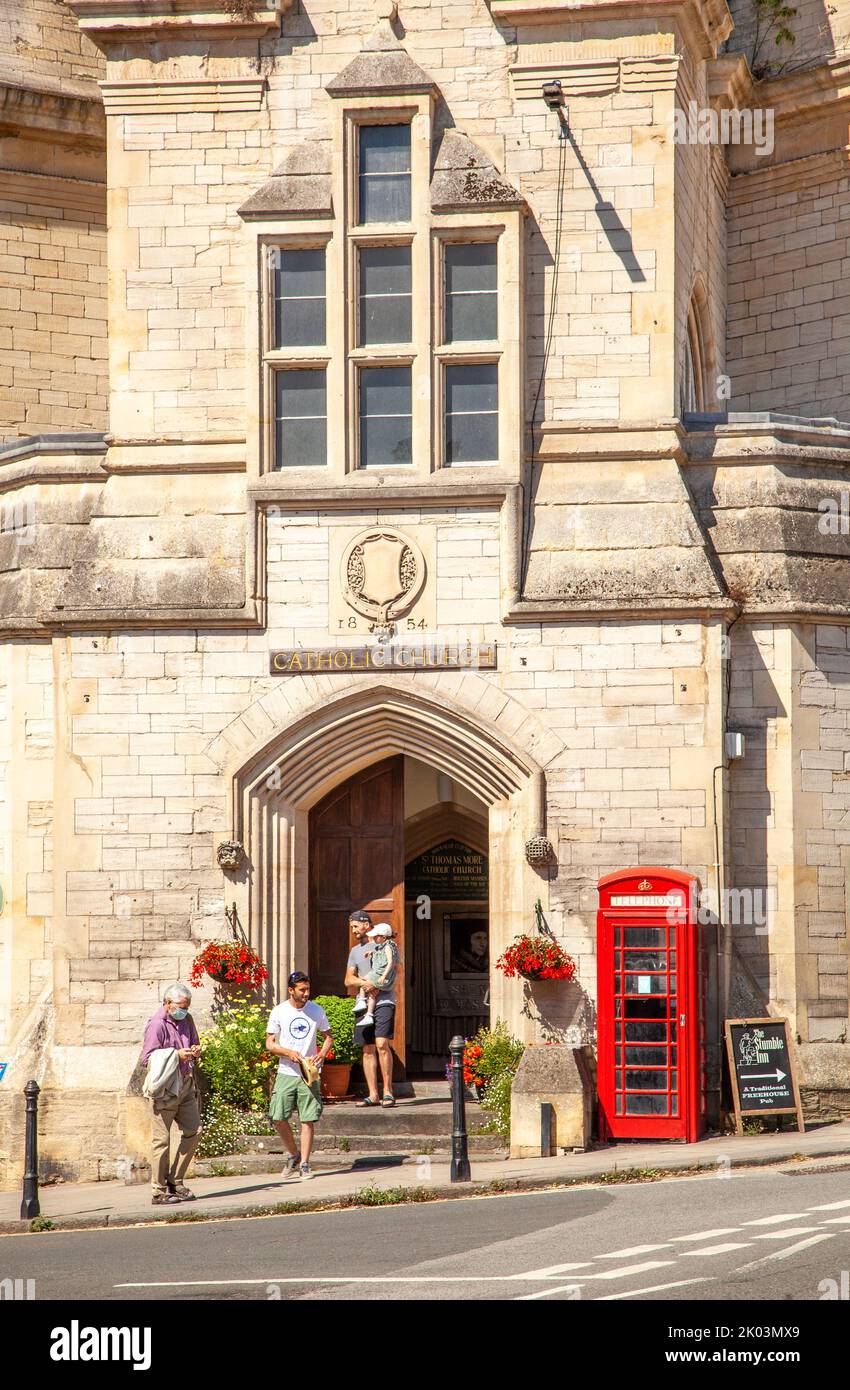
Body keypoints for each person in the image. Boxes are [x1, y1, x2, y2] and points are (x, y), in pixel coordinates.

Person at [266, 971, 333, 1180]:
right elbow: (270, 1043)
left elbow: (328, 1037)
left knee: (307, 1118)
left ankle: (304, 1163)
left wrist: (321, 1054)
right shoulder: (279, 1011)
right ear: (291, 990)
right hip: (286, 1071)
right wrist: (288, 1052)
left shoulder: (316, 1010)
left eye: (308, 989)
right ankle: (293, 1154)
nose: (306, 994)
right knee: (278, 1116)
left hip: (308, 1073)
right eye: (302, 990)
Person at [140, 983, 202, 1205]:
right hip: (166, 1088)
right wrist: (176, 1055)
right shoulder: (156, 1025)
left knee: (194, 1131)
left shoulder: (187, 1019)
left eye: (187, 1006)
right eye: (180, 1007)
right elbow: (146, 1059)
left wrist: (195, 1050)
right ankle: (158, 1191)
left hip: (185, 1084)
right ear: (167, 1004)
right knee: (162, 1140)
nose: (183, 1011)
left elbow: (195, 1042)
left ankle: (175, 1180)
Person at [345, 910, 399, 1108]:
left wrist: (377, 985)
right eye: (352, 927)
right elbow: (348, 979)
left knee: (382, 1044)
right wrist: (365, 984)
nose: (353, 930)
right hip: (363, 1002)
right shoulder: (354, 951)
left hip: (384, 1000)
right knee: (367, 1049)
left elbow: (393, 970)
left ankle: (388, 1092)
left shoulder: (383, 943)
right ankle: (373, 1094)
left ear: (366, 924)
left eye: (355, 926)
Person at [358, 923, 400, 1027]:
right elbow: (382, 956)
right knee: (372, 994)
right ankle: (369, 1014)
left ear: (384, 937)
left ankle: (362, 1001)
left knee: (364, 981)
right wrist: (372, 953)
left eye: (376, 936)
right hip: (380, 974)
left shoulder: (388, 947)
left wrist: (383, 976)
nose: (373, 938)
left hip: (381, 974)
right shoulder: (383, 947)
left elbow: (390, 962)